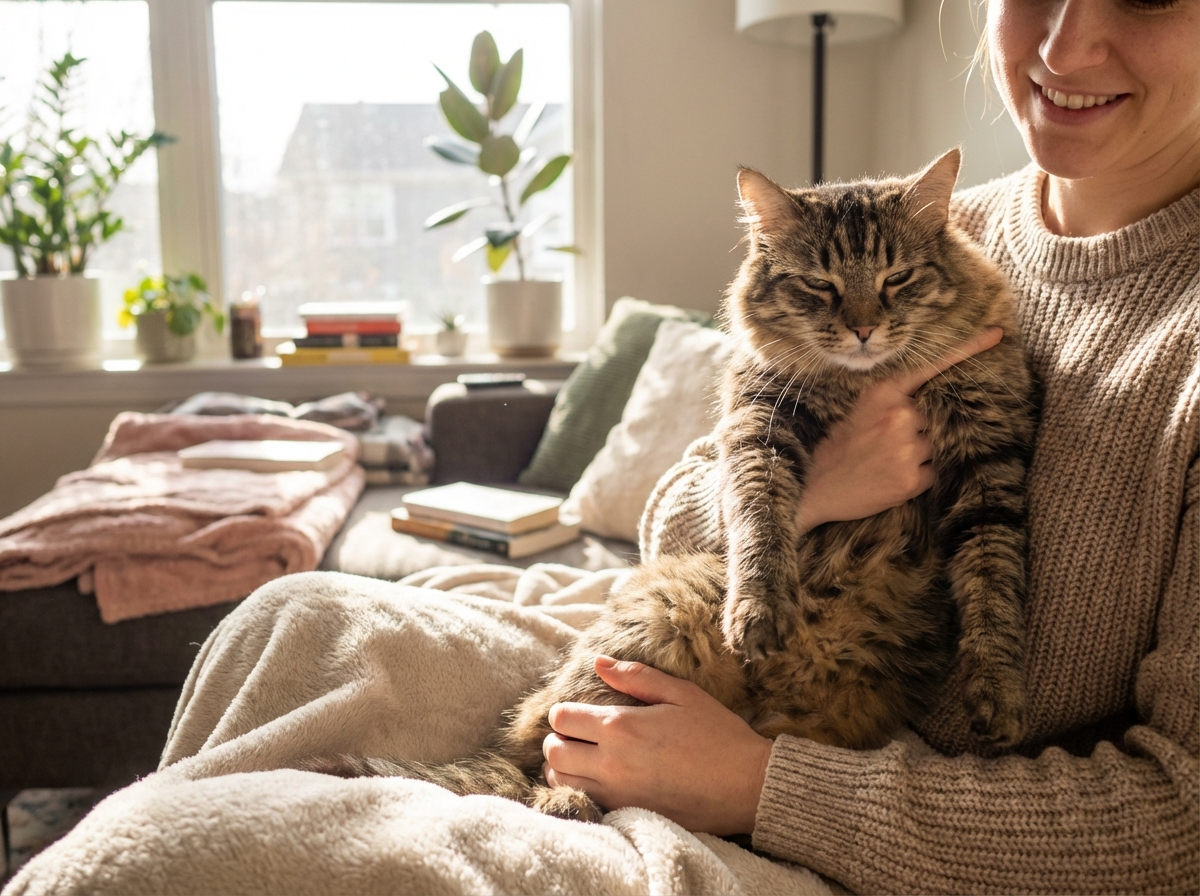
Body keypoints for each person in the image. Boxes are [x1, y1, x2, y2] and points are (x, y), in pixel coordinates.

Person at [540, 0, 1199, 891]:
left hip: (892, 825)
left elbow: (1181, 827)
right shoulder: (921, 219)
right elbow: (669, 526)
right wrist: (814, 489)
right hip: (691, 709)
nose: (1063, 46)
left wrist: (759, 787)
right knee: (301, 618)